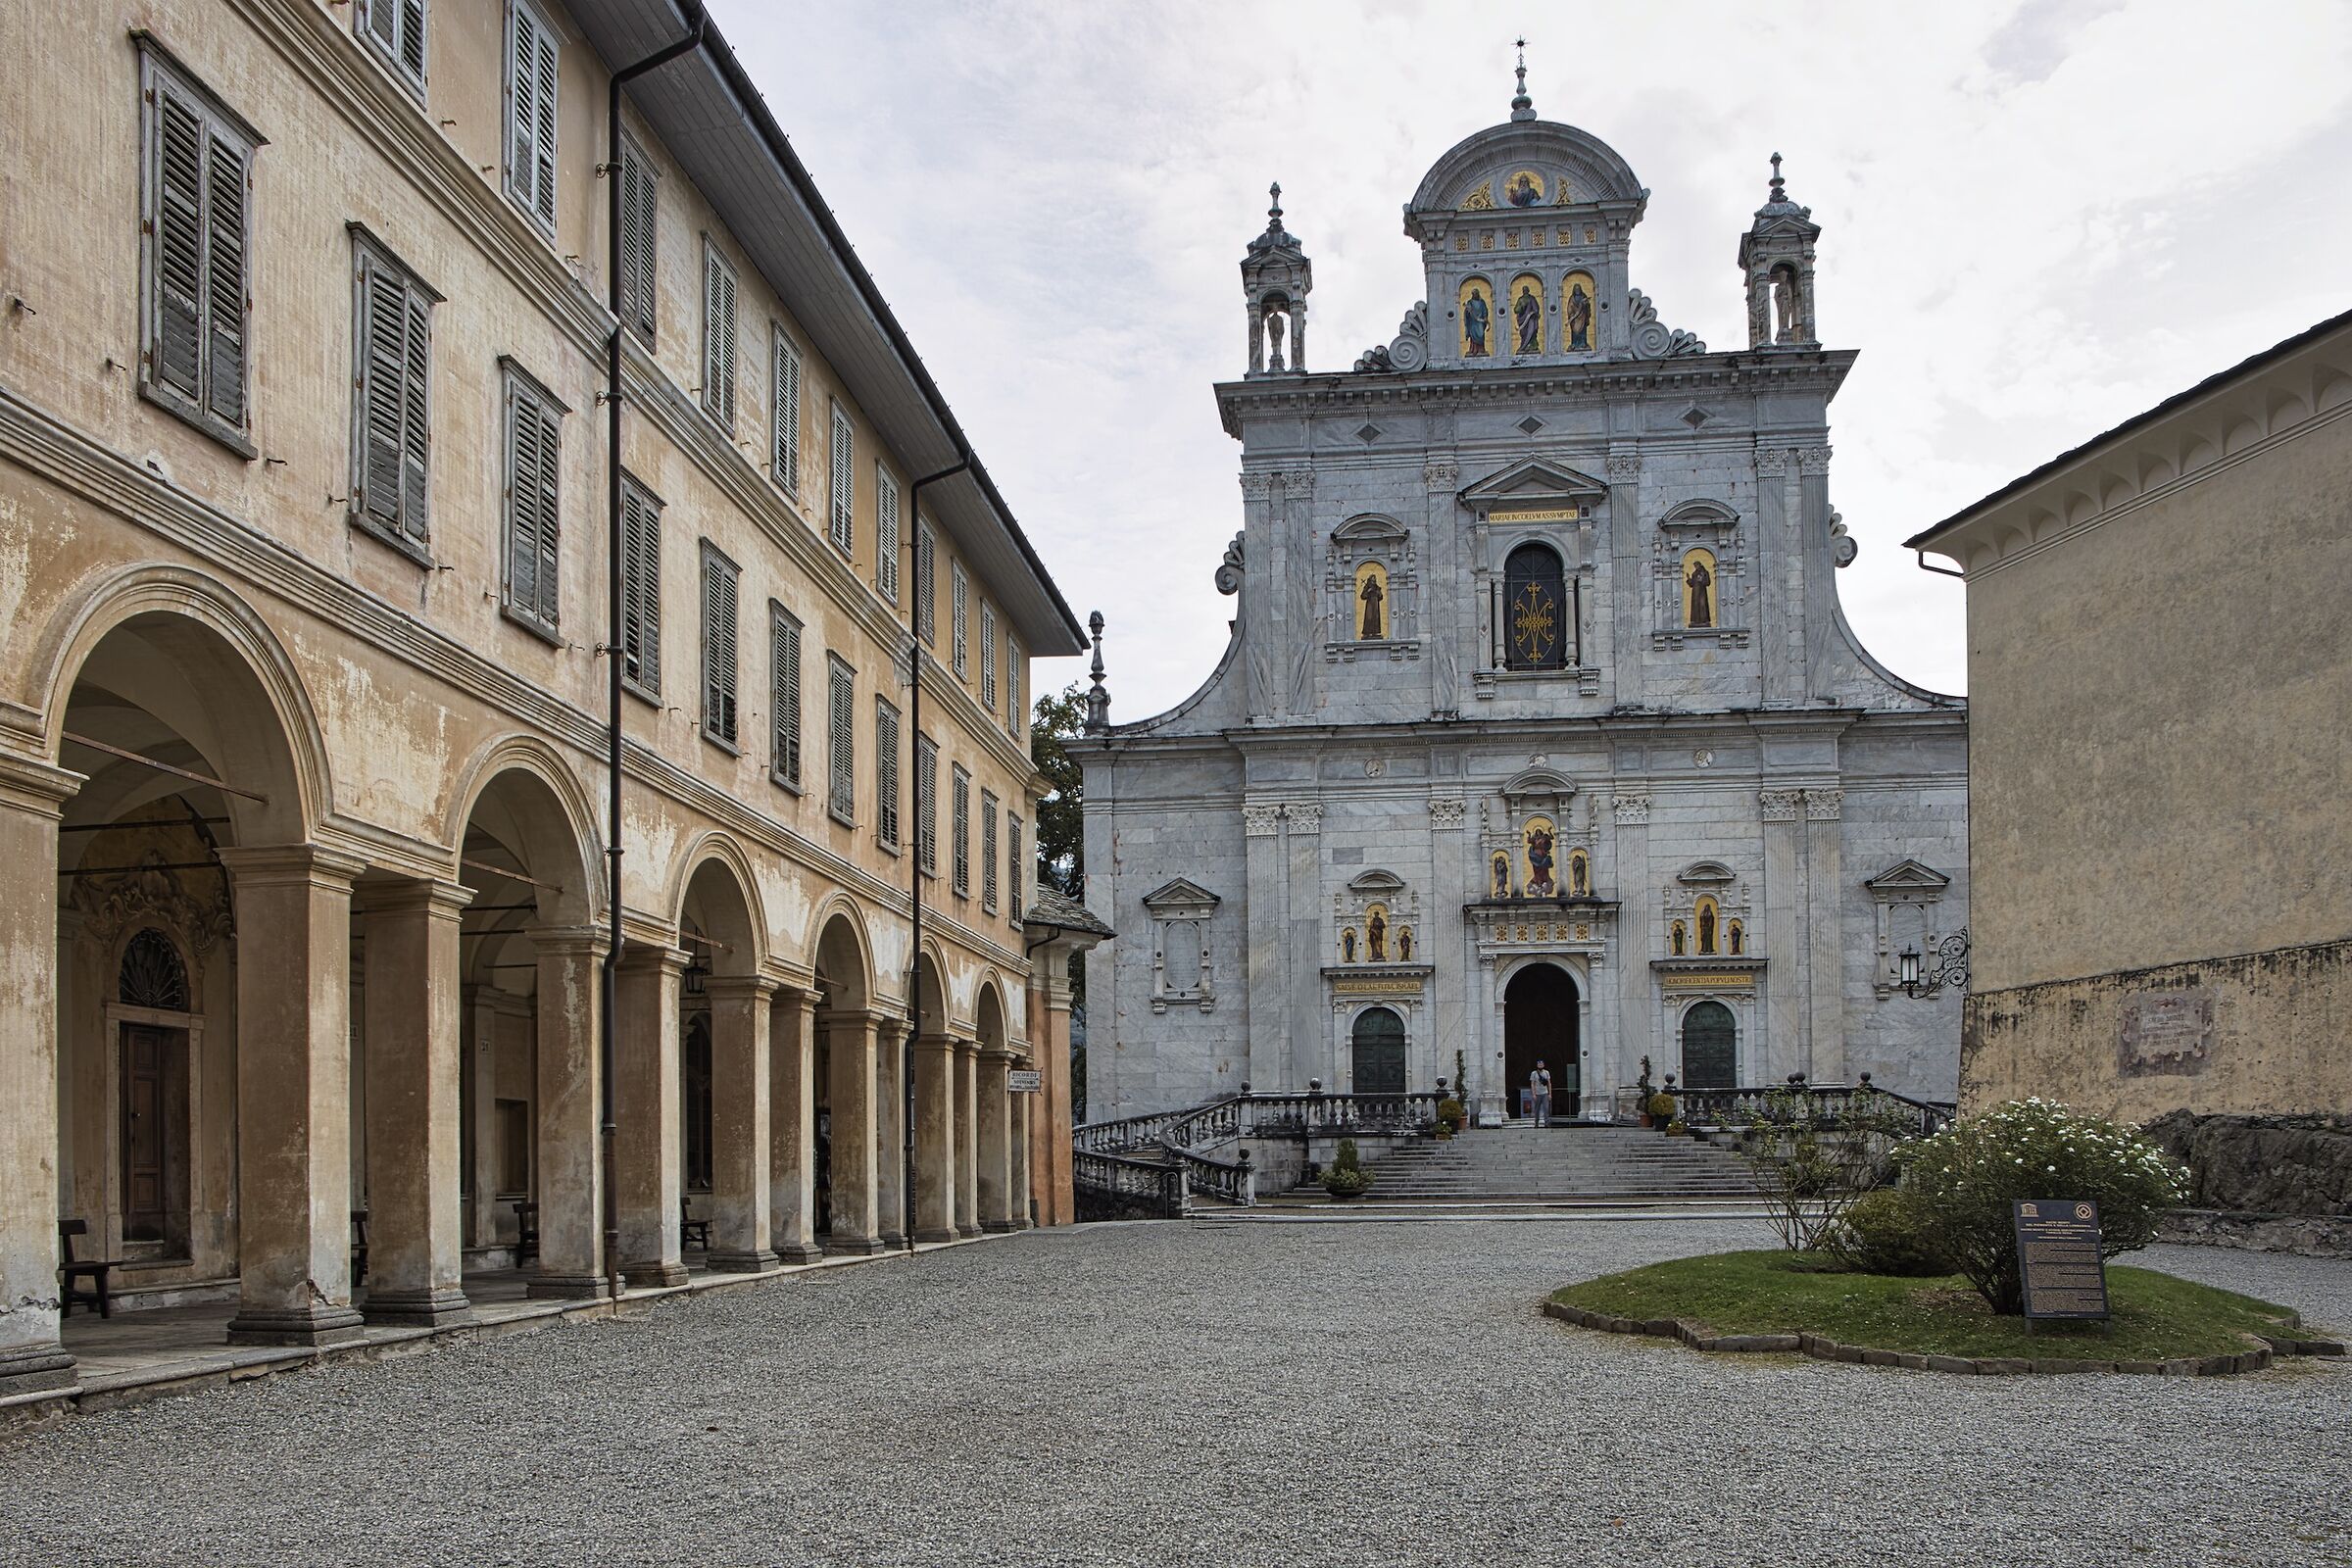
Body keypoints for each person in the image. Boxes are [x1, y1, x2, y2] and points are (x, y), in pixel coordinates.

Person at [1531, 1060, 1553, 1127]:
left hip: (1545, 1093)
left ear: (1543, 1065)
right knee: (1536, 1109)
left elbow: (1549, 1083)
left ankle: (1546, 1123)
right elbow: (1532, 1084)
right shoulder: (1534, 1073)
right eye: (1539, 1065)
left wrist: (1550, 1094)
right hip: (1537, 1093)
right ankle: (1536, 1123)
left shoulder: (1546, 1072)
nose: (1540, 1066)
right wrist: (1533, 1094)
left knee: (1546, 1108)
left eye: (1541, 1065)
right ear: (1537, 1065)